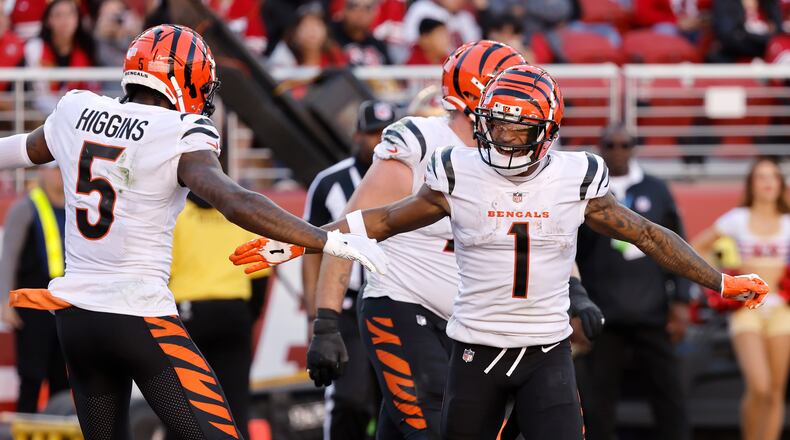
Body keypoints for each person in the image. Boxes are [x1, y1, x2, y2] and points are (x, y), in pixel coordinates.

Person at [232, 64, 770, 440]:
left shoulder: (574, 177)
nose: (504, 138)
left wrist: (720, 281)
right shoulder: (457, 170)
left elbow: (650, 235)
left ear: (546, 131)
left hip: (546, 351)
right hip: (474, 350)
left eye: (519, 127)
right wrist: (297, 240)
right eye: (497, 124)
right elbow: (379, 222)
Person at [5, 24, 385, 440]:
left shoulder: (78, 111)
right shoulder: (179, 131)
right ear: (182, 79)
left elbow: (21, 149)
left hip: (75, 318)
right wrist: (326, 238)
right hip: (139, 316)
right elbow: (234, 200)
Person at [233, 50, 604, 440]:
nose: (522, 103)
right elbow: (359, 228)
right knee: (432, 424)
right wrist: (325, 320)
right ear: (481, 95)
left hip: (468, 327)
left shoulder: (517, 159)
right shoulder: (424, 143)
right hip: (402, 304)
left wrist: (575, 290)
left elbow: (547, 240)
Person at [574, 124, 692, 440]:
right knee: (597, 402)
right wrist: (574, 307)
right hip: (602, 314)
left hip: (652, 312)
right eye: (610, 145)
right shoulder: (586, 192)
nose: (618, 151)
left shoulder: (656, 189)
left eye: (625, 145)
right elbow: (571, 254)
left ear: (634, 147)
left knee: (670, 397)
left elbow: (677, 245)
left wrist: (681, 301)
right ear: (600, 148)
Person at [302, 99, 397, 440]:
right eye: (372, 133)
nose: (378, 142)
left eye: (385, 134)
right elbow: (311, 248)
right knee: (349, 399)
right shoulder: (330, 182)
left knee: (401, 401)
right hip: (347, 307)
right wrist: (316, 313)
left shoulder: (413, 177)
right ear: (356, 135)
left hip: (395, 302)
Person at [692, 156, 790, 440]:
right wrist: (724, 282)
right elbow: (696, 248)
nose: (768, 182)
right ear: (751, 184)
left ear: (781, 183)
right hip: (746, 309)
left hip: (782, 310)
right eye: (761, 177)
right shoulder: (736, 220)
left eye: (773, 176)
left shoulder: (787, 222)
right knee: (759, 386)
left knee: (774, 392)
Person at [168, 191, 272, 440]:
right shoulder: (240, 210)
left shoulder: (175, 212)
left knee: (183, 408)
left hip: (188, 315)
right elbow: (260, 276)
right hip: (234, 312)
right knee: (234, 406)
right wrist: (247, 315)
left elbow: (161, 272)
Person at [0, 164, 69, 413]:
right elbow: (8, 258)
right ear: (40, 172)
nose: (59, 175)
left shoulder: (77, 209)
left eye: (62, 169)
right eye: (54, 169)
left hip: (64, 307)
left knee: (62, 379)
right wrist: (4, 303)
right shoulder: (26, 207)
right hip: (32, 307)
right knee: (31, 377)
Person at [24, 0, 97, 112]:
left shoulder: (88, 48)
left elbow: (93, 89)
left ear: (78, 19)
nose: (65, 20)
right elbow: (40, 94)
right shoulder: (35, 48)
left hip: (80, 115)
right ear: (48, 20)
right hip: (42, 114)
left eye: (69, 14)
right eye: (58, 15)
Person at [268, 3, 348, 68]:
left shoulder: (335, 57)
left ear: (326, 31)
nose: (312, 30)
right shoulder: (284, 56)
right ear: (294, 33)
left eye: (317, 25)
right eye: (306, 26)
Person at [331, 0, 391, 66]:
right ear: (343, 9)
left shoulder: (379, 45)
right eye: (354, 6)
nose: (361, 13)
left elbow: (392, 72)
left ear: (375, 13)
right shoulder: (329, 39)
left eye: (368, 7)